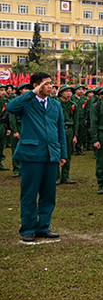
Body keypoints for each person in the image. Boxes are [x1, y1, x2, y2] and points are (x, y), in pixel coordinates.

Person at [6, 72, 68, 242]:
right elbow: (10, 107)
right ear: (36, 86)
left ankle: (44, 226)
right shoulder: (27, 102)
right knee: (29, 193)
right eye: (46, 83)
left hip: (51, 153)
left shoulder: (55, 104)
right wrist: (32, 93)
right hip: (32, 154)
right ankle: (28, 228)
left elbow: (60, 130)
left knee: (49, 193)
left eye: (51, 83)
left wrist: (63, 153)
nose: (50, 86)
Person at [56, 85, 79, 184]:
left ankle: (65, 176)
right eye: (66, 91)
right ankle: (56, 177)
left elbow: (76, 120)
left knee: (68, 153)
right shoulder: (56, 103)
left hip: (69, 129)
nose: (68, 93)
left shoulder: (73, 105)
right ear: (61, 93)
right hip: (58, 130)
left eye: (70, 91)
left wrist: (75, 135)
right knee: (57, 152)